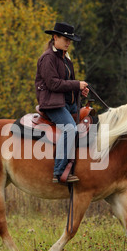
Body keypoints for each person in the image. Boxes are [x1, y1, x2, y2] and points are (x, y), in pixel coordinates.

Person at [35, 22, 89, 183]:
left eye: (69, 40)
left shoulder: (65, 59)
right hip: (52, 104)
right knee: (70, 129)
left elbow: (67, 83)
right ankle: (58, 172)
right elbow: (53, 84)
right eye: (65, 38)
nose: (67, 42)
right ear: (55, 37)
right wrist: (76, 84)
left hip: (66, 103)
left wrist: (79, 90)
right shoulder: (47, 58)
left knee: (90, 120)